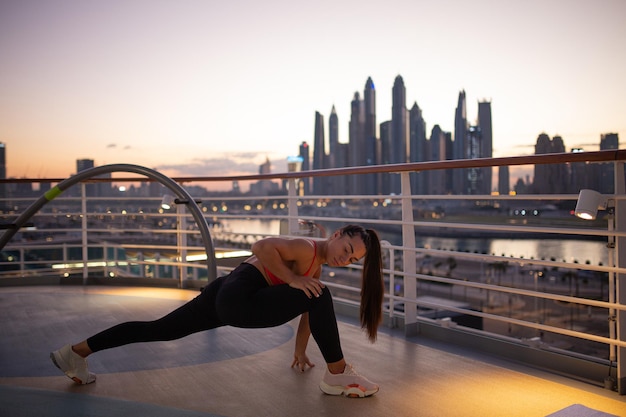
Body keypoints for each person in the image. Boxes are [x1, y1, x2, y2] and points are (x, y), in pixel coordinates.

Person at [50, 224, 385, 398]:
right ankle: (339, 374)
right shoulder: (306, 248)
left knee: (158, 329)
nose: (345, 258)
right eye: (346, 249)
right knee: (318, 294)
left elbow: (308, 310)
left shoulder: (313, 270)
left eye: (353, 259)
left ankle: (76, 352)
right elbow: (261, 247)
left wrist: (299, 352)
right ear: (338, 234)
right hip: (238, 296)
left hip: (223, 292)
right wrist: (293, 278)